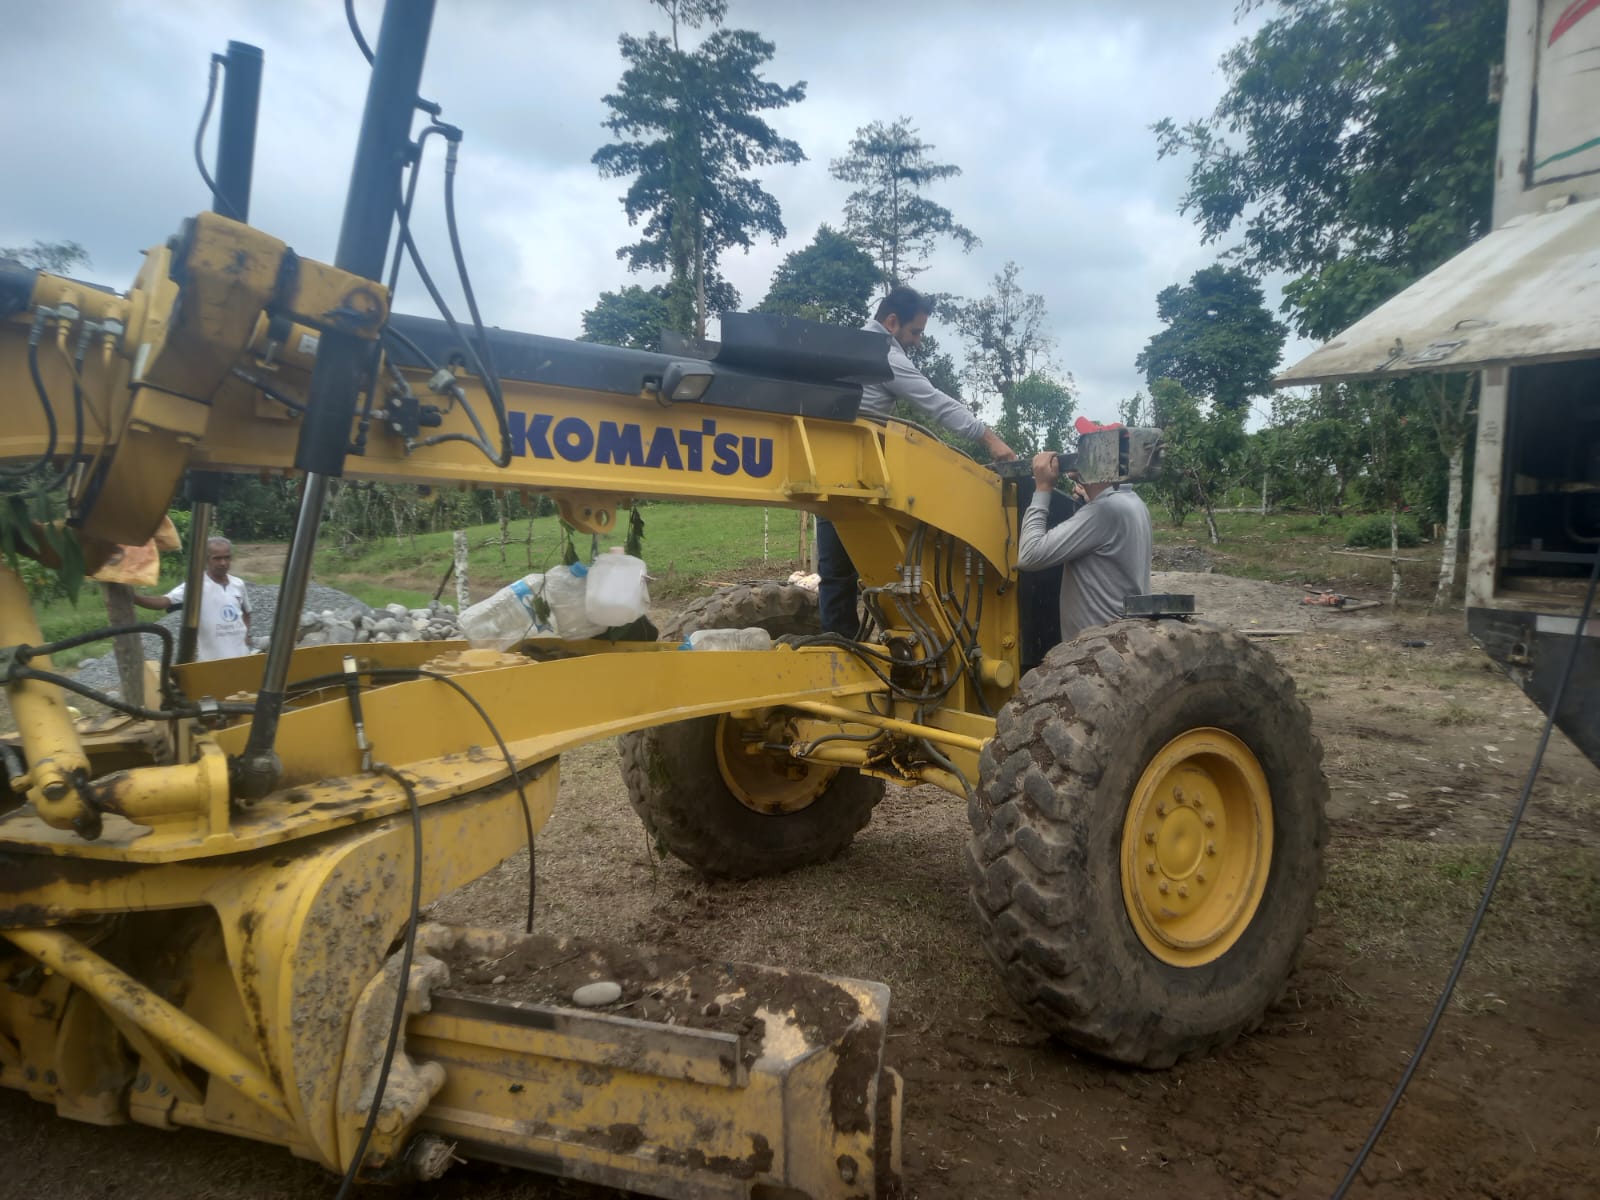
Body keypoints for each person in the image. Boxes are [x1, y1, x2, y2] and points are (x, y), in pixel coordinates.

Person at [818, 286, 1018, 637]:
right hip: (860, 481)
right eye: (915, 332)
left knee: (835, 576)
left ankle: (838, 651)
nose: (918, 341)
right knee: (893, 569)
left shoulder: (846, 347)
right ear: (891, 321)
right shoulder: (883, 355)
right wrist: (990, 439)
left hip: (824, 475)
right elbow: (934, 402)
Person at [1016, 446, 1152, 642]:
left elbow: (1029, 556)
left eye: (1083, 448)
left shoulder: (1103, 511)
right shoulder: (1133, 502)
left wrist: (1043, 488)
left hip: (1097, 649)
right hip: (1122, 639)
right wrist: (1092, 499)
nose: (1076, 454)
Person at [134, 535, 253, 660]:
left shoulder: (238, 584)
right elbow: (164, 602)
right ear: (206, 560)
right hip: (212, 661)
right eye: (217, 559)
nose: (223, 563)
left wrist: (246, 634)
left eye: (226, 557)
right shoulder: (196, 585)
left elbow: (247, 612)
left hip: (242, 656)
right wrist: (135, 598)